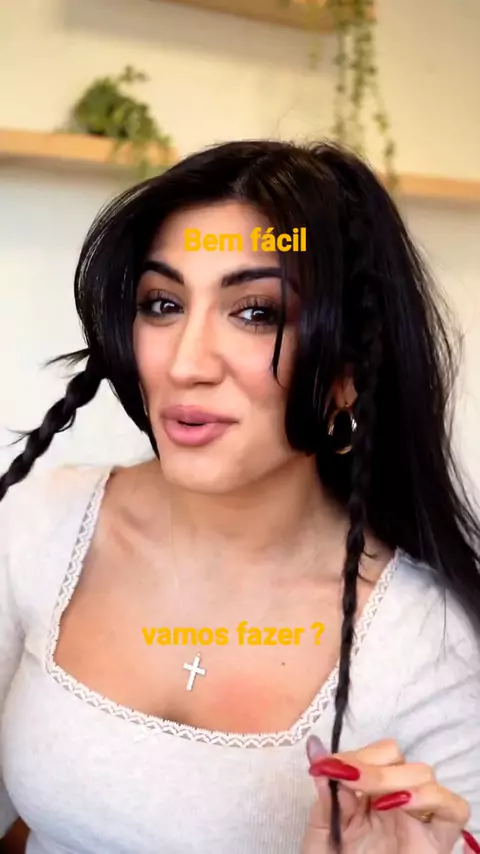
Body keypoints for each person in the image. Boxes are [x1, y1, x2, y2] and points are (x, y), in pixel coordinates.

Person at [0, 139, 479, 854]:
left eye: (256, 313)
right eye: (162, 304)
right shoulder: (38, 525)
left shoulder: (429, 647)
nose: (185, 363)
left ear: (348, 370)